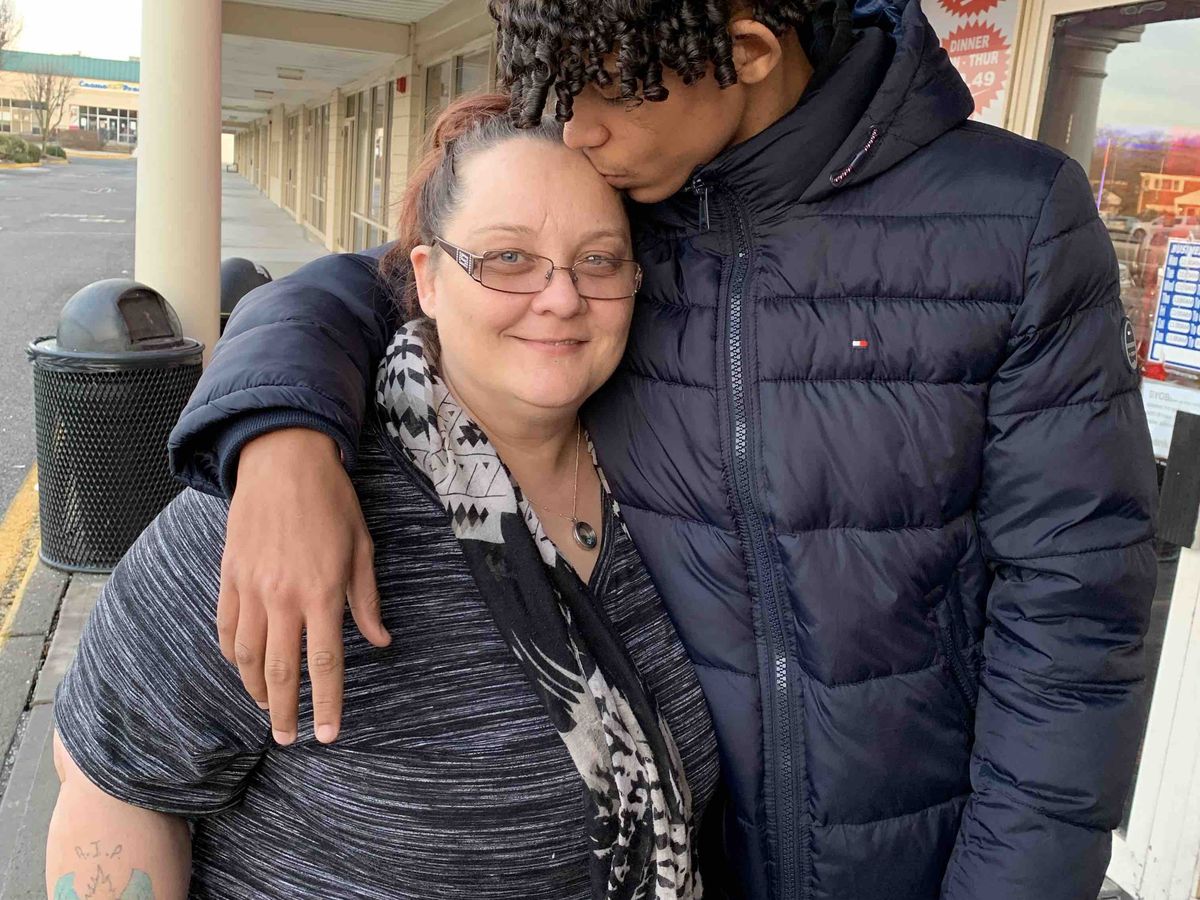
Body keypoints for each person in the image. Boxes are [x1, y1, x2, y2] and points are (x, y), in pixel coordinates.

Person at [167, 0, 1160, 897]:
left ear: (749, 50)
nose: (577, 130)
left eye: (606, 89)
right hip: (683, 857)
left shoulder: (1014, 218)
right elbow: (393, 281)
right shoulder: (630, 201)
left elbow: (1074, 611)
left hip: (925, 860)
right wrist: (281, 439)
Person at [46, 95, 720, 900]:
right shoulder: (284, 508)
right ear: (427, 278)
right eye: (508, 257)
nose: (562, 297)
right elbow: (114, 778)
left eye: (599, 260)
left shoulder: (665, 473)